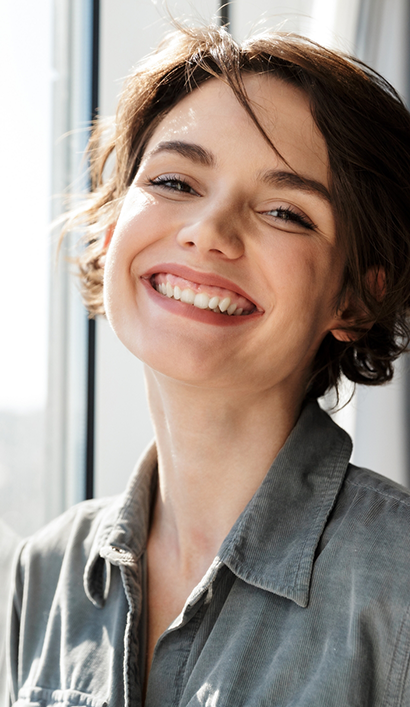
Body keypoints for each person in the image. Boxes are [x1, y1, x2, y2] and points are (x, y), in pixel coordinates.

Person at [7, 23, 410, 707]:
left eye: (285, 211)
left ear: (354, 295)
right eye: (174, 180)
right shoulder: (49, 568)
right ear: (110, 235)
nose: (210, 232)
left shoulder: (398, 584)